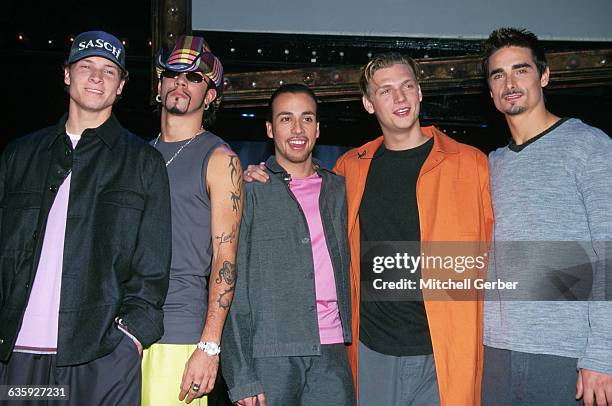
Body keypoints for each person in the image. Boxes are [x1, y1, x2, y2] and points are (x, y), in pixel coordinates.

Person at [244, 54, 493, 405]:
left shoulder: (471, 164)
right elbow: (302, 188)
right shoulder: (350, 169)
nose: (400, 98)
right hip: (372, 350)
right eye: (386, 90)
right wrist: (257, 176)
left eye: (407, 86)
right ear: (368, 103)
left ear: (420, 92)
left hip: (444, 351)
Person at [0, 30, 171, 405]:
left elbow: (153, 267)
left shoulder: (143, 162)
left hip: (100, 358)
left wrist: (131, 336)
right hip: (17, 356)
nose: (97, 77)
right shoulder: (20, 155)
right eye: (87, 66)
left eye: (109, 71)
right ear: (66, 75)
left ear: (121, 86)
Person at [482, 27, 612, 406]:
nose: (510, 83)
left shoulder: (589, 146)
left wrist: (603, 352)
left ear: (544, 76)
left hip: (565, 353)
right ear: (490, 91)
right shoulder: (491, 164)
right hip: (496, 351)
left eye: (520, 70)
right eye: (498, 75)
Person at [222, 84, 355, 406]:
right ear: (269, 128)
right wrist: (240, 374)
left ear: (318, 128)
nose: (297, 129)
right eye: (285, 119)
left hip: (333, 351)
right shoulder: (250, 191)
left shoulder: (340, 189)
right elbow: (231, 287)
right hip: (270, 354)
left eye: (306, 119)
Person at [142, 35, 242, 406]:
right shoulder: (137, 154)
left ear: (210, 95)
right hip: (123, 330)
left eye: (195, 77)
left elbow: (225, 258)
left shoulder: (219, 158)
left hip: (179, 332)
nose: (181, 81)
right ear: (159, 85)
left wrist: (209, 346)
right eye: (172, 73)